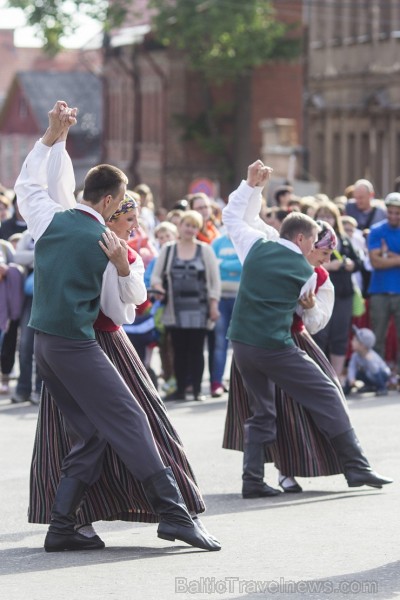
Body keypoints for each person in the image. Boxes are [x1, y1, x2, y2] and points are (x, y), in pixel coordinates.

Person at [15, 101, 220, 553]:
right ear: (108, 202)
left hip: (45, 344)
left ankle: (62, 525)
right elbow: (131, 304)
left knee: (90, 433)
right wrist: (124, 265)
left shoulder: (50, 220)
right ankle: (173, 514)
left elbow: (28, 185)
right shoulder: (107, 240)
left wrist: (52, 135)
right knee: (131, 418)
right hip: (75, 343)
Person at [29, 194, 212, 542]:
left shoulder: (125, 254)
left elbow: (132, 305)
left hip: (91, 344)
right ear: (109, 219)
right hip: (87, 345)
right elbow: (115, 310)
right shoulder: (84, 240)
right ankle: (166, 514)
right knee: (124, 425)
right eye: (130, 220)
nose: (136, 227)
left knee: (103, 431)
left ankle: (66, 524)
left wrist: (124, 266)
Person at [222, 159, 392, 498]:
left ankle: (252, 480)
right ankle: (355, 465)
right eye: (314, 241)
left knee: (263, 410)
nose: (316, 248)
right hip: (275, 345)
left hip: (241, 343)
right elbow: (312, 320)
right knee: (327, 393)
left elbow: (234, 217)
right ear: (301, 238)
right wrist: (310, 304)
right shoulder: (310, 274)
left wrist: (251, 186)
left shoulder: (255, 245)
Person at [223, 221, 344, 493]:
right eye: (321, 251)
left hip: (293, 342)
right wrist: (254, 187)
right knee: (264, 411)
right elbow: (248, 221)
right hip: (257, 342)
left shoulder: (320, 278)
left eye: (325, 254)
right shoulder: (272, 253)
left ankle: (287, 471)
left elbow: (316, 324)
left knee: (297, 413)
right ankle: (254, 477)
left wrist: (310, 309)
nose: (323, 258)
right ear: (305, 243)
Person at [151, 210, 221, 401]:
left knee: (197, 351)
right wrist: (158, 288)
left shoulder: (205, 250)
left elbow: (215, 282)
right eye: (187, 225)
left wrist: (214, 305)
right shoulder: (168, 250)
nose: (190, 229)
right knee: (179, 351)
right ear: (179, 226)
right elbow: (156, 276)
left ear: (198, 229)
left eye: (194, 226)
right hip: (175, 310)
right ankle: (181, 390)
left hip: (199, 310)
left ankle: (197, 391)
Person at [313, 200, 363, 382]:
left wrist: (349, 264)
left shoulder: (344, 240)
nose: (326, 219)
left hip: (343, 294)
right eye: (321, 216)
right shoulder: (312, 239)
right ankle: (320, 378)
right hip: (319, 292)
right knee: (319, 333)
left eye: (329, 216)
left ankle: (336, 379)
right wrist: (331, 266)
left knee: (340, 335)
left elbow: (359, 263)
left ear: (336, 219)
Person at [367, 192, 400, 384]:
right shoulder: (376, 230)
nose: (394, 216)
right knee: (377, 338)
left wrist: (388, 256)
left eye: (398, 212)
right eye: (391, 212)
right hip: (379, 291)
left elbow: (381, 259)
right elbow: (375, 262)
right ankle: (378, 377)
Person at [210, 232, 242, 397]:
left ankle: (239, 383)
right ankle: (217, 382)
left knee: (240, 343)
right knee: (220, 343)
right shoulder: (217, 242)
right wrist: (233, 264)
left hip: (240, 298)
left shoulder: (245, 239)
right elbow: (211, 264)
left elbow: (244, 264)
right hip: (220, 298)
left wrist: (222, 263)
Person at [343, 326, 391, 396]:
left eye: (354, 340)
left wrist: (370, 362)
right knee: (355, 372)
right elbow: (352, 367)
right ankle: (346, 390)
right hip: (369, 376)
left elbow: (375, 371)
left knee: (379, 372)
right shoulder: (355, 355)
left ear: (362, 345)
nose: (351, 341)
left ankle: (382, 388)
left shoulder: (371, 356)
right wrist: (351, 378)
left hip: (381, 376)